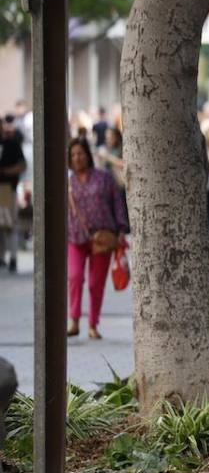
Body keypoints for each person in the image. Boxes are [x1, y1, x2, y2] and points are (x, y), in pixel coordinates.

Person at [66, 137, 128, 340]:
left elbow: (117, 203)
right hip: (75, 237)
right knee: (75, 277)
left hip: (103, 237)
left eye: (80, 153)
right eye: (73, 155)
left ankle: (93, 324)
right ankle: (74, 320)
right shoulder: (67, 182)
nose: (77, 158)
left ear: (88, 155)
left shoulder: (103, 178)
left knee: (96, 283)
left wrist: (121, 229)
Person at [0, 116, 25, 273]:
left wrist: (5, 172)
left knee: (9, 226)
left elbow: (22, 166)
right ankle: (2, 258)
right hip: (5, 188)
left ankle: (13, 258)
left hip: (6, 188)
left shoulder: (11, 143)